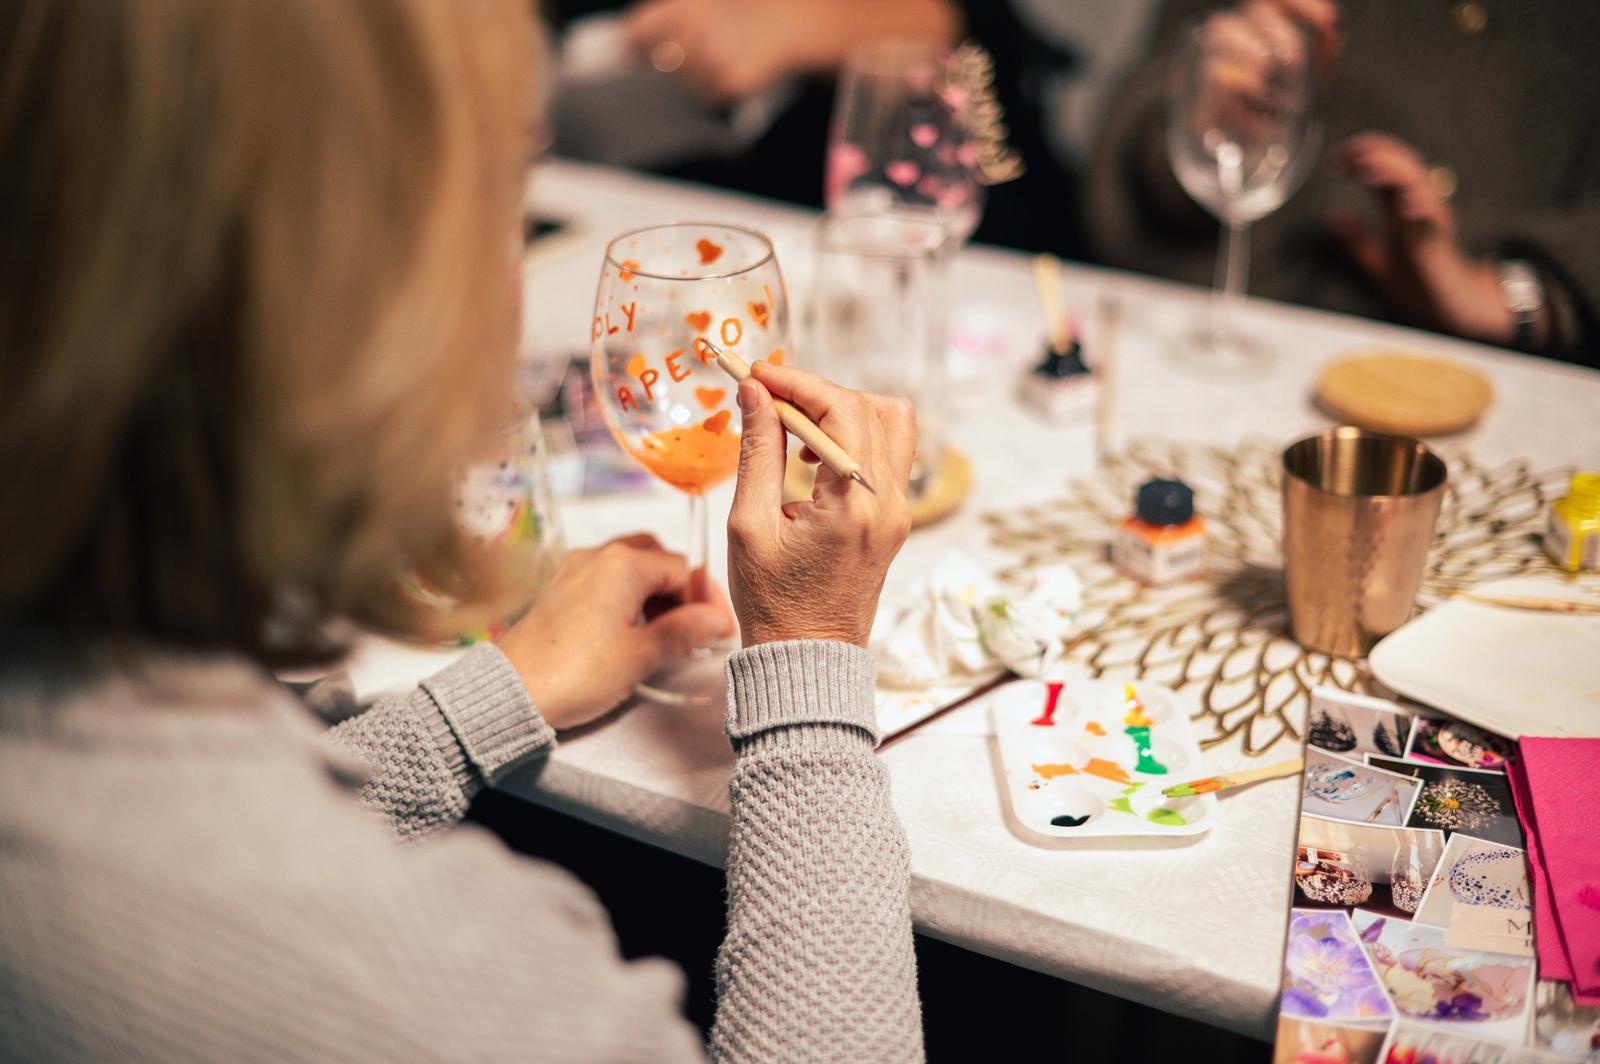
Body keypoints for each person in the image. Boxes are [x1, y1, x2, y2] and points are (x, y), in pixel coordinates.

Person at [0, 2, 924, 1061]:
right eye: (500, 193)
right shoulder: (404, 982)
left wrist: (490, 696)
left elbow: (187, 815)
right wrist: (810, 655)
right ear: (330, 291)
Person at [1086, 0, 1600, 364]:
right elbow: (1131, 150)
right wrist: (1204, 109)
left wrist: (1533, 293)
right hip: (1231, 332)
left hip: (1515, 379)